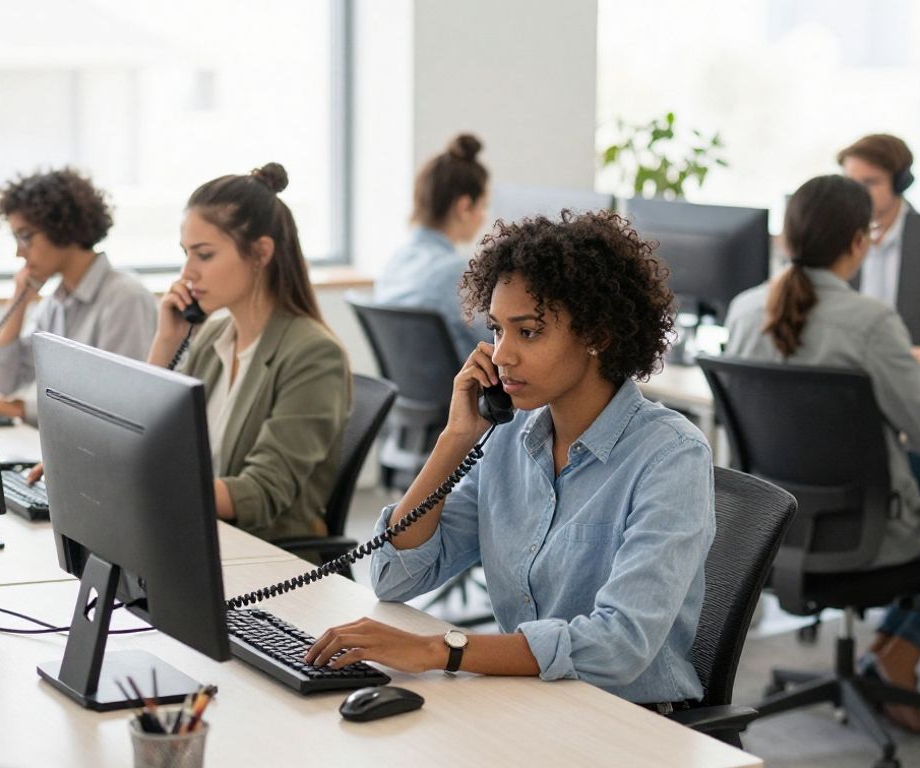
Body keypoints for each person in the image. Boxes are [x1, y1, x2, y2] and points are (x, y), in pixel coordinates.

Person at [305, 211, 716, 706]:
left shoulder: (670, 456)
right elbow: (396, 577)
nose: (500, 355)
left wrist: (440, 650)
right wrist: (455, 438)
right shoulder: (509, 435)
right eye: (497, 330)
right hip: (528, 700)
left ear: (597, 336)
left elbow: (619, 646)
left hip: (630, 719)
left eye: (529, 332)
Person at [725, 174, 920, 734]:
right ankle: (900, 655)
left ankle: (885, 649)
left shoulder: (744, 309)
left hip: (777, 527)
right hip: (861, 533)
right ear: (860, 241)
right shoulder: (870, 321)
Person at [147, 163, 350, 542]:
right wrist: (165, 343)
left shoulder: (313, 355)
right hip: (196, 537)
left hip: (264, 555)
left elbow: (261, 491)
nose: (187, 272)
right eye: (186, 254)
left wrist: (147, 484)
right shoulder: (213, 337)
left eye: (204, 255)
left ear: (260, 253)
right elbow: (153, 439)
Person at [0, 167, 157, 425]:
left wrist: (22, 409)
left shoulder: (125, 298)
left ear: (60, 226)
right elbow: (2, 384)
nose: (19, 253)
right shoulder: (55, 303)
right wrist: (18, 302)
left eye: (25, 237)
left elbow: (119, 405)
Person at [374, 133, 490, 355]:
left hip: (407, 380)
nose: (484, 217)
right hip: (461, 379)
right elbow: (502, 343)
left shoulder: (396, 263)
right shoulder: (458, 272)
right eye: (484, 205)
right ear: (465, 207)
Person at [838, 133, 916, 310]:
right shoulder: (837, 238)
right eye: (851, 184)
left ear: (899, 184)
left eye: (869, 183)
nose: (856, 194)